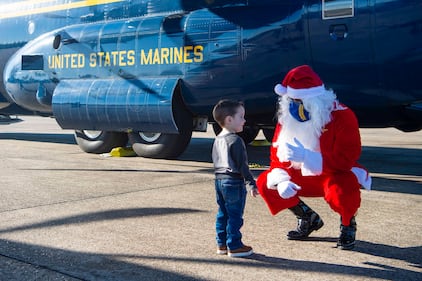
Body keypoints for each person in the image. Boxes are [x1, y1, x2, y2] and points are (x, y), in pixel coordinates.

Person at [256, 65, 371, 250]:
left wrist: (309, 157)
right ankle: (308, 218)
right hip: (301, 175)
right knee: (265, 183)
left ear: (315, 99)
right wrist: (282, 179)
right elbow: (276, 154)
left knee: (343, 189)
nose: (294, 105)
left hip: (332, 173)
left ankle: (348, 224)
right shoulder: (287, 118)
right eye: (290, 100)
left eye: (298, 100)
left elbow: (346, 159)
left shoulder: (342, 116)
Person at [212, 99, 259, 257]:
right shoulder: (236, 141)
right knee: (235, 215)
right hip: (233, 181)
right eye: (241, 117)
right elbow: (242, 166)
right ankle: (235, 245)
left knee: (223, 213)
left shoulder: (217, 140)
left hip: (219, 180)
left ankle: (222, 244)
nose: (244, 120)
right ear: (229, 120)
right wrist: (251, 184)